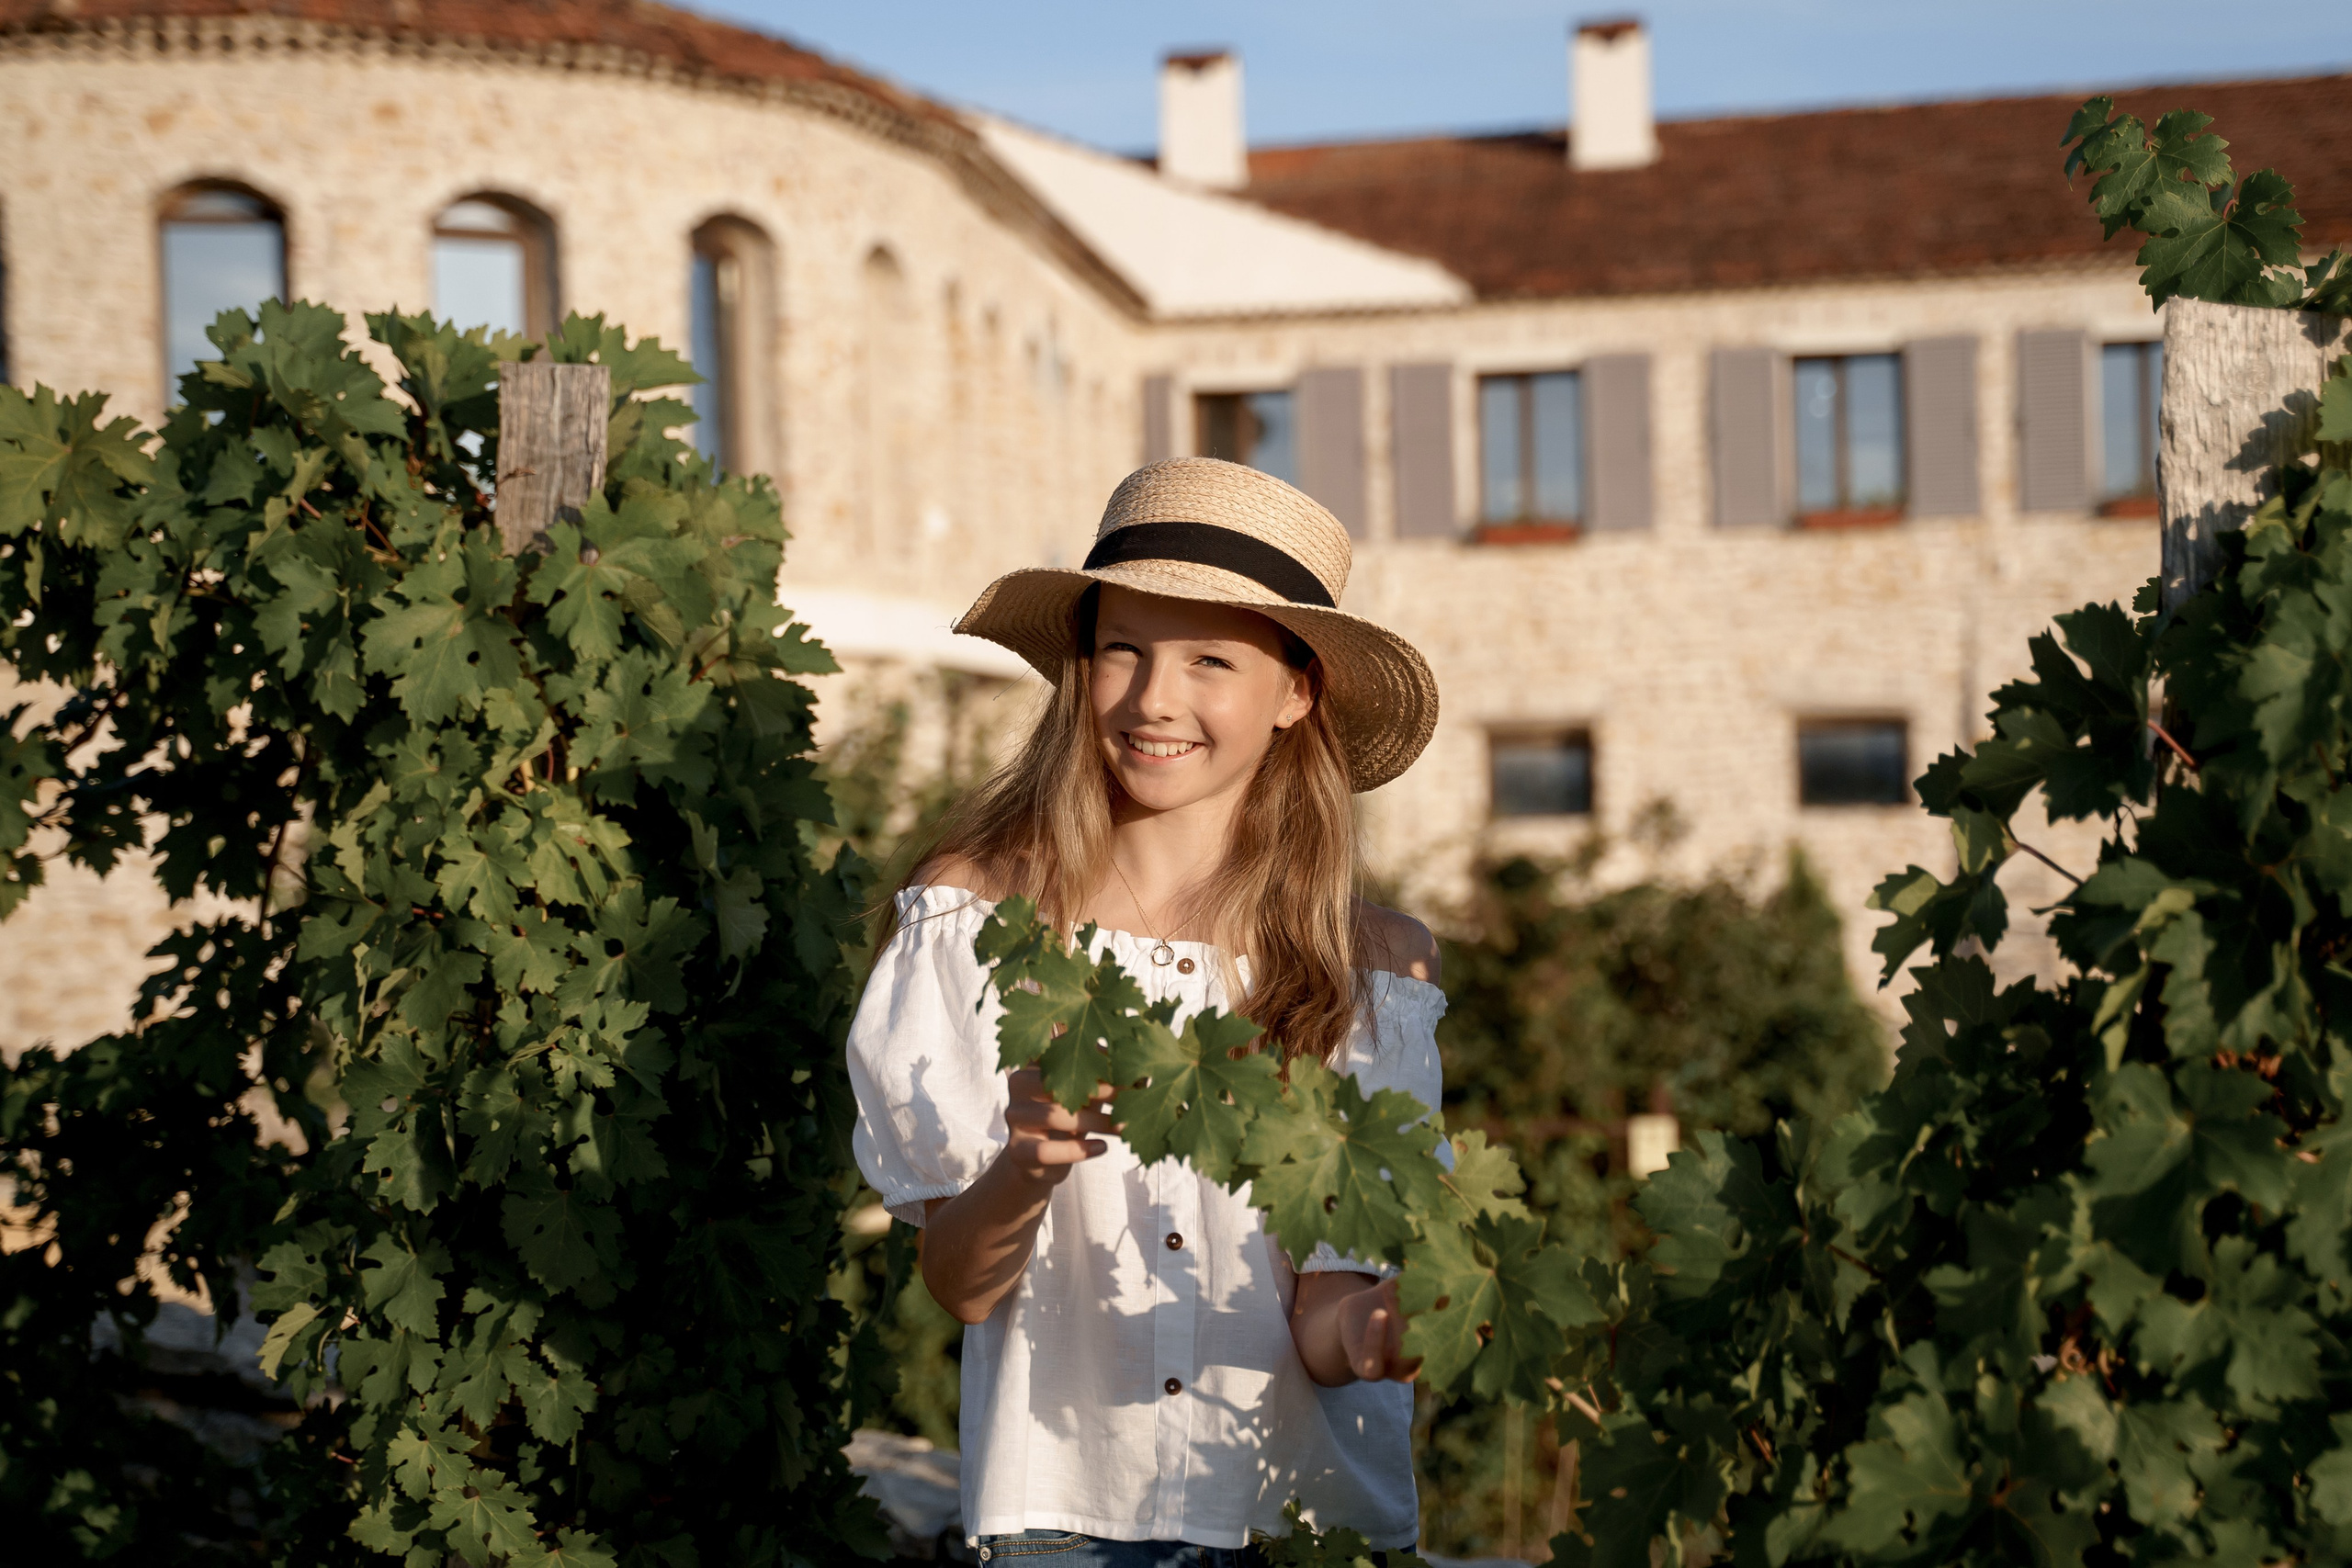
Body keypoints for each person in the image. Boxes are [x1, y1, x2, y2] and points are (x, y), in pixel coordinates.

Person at [847, 457, 1446, 1564]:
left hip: (1297, 1529)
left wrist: (1375, 1331)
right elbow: (963, 1289)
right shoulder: (977, 920)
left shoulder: (1370, 971)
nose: (1153, 699)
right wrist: (1024, 1164)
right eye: (1122, 649)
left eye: (1209, 659)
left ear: (1297, 692)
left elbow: (1327, 1309)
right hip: (1059, 1527)